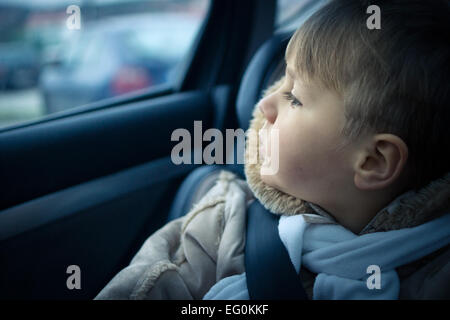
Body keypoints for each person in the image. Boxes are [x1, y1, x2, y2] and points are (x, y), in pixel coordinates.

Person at [95, 0, 450, 300]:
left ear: (373, 161)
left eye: (293, 97)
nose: (264, 104)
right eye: (282, 84)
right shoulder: (223, 223)